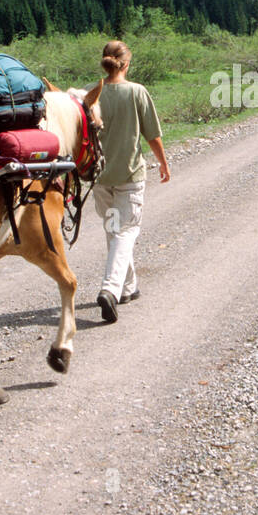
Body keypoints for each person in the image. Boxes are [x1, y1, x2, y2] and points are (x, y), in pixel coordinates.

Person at [90, 40, 170, 322]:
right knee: (126, 231)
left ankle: (127, 287)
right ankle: (110, 289)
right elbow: (152, 134)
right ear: (125, 64)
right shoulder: (137, 91)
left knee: (114, 230)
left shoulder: (93, 94)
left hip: (100, 178)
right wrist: (162, 162)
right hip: (129, 175)